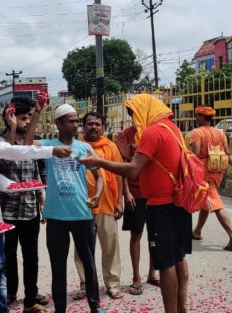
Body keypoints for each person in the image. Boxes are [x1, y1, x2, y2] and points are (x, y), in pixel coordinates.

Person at [0, 93, 71, 313]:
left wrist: (15, 186)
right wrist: (50, 150)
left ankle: (2, 309)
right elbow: (9, 152)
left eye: (1, 116)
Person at [79, 94, 191, 313]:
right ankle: (181, 308)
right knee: (178, 257)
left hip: (163, 204)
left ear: (145, 109)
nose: (133, 118)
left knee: (166, 261)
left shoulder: (152, 131)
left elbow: (133, 170)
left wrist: (99, 162)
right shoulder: (172, 128)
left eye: (134, 112)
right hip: (178, 202)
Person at [40, 104, 105, 313]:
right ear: (58, 123)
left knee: (89, 263)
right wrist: (37, 113)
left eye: (77, 120)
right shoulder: (49, 146)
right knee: (58, 267)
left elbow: (99, 177)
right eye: (71, 121)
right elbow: (24, 143)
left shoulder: (84, 148)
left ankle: (95, 305)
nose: (76, 124)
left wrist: (97, 195)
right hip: (56, 217)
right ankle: (60, 309)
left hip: (82, 215)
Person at [0, 96, 50, 313]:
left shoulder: (31, 143)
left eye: (30, 118)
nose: (27, 122)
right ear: (11, 117)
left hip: (29, 210)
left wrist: (42, 200)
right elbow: (9, 158)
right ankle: (10, 293)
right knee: (8, 254)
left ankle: (30, 296)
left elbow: (34, 171)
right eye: (23, 118)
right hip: (7, 210)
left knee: (31, 256)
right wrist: (10, 129)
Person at [74, 111, 123, 300]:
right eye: (90, 124)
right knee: (82, 248)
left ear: (103, 127)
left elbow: (119, 174)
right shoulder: (78, 147)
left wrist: (120, 201)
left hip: (107, 204)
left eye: (97, 124)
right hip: (81, 207)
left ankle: (113, 284)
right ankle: (85, 284)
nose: (93, 127)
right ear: (83, 126)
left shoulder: (110, 147)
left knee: (110, 246)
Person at [189, 106, 232, 252]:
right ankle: (197, 231)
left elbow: (194, 153)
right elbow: (228, 153)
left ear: (201, 117)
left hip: (204, 173)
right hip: (218, 172)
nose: (196, 118)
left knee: (215, 203)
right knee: (207, 200)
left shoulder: (196, 133)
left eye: (197, 116)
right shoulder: (220, 133)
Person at [116, 126, 159, 295]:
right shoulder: (125, 135)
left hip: (154, 192)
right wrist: (126, 192)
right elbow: (123, 165)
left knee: (154, 235)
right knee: (137, 234)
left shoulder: (155, 132)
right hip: (135, 192)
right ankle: (136, 277)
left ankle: (152, 273)